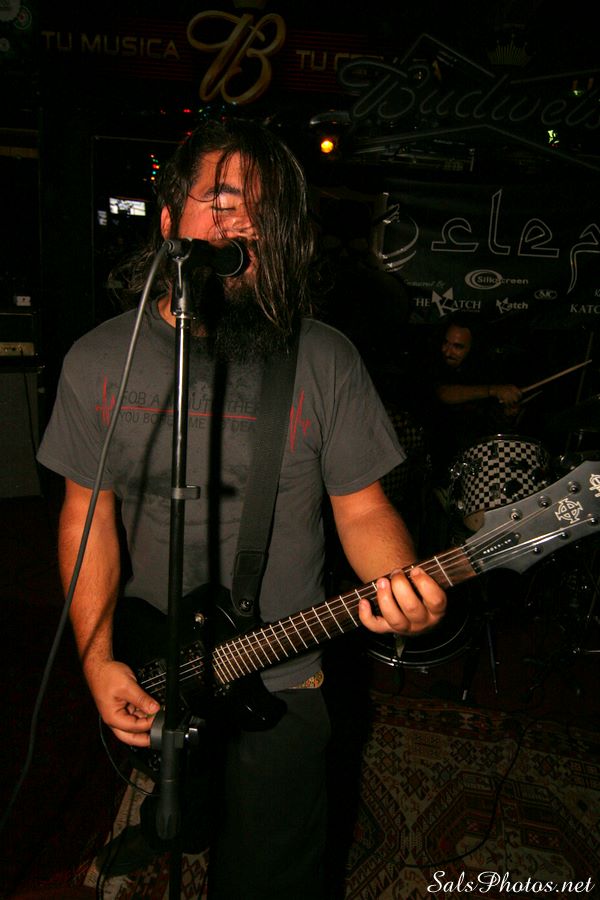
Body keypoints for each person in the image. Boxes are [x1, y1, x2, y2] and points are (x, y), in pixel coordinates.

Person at [37, 117, 446, 899]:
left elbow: (361, 510)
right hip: (158, 651)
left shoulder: (323, 356)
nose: (243, 226)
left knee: (271, 874)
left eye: (263, 212)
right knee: (182, 798)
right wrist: (96, 659)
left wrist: (401, 585)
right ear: (169, 221)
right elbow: (86, 519)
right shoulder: (98, 360)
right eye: (221, 202)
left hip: (282, 668)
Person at [422, 312, 523, 486]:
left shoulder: (486, 372)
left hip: (478, 465)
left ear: (474, 348)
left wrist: (509, 414)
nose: (447, 351)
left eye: (458, 346)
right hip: (437, 463)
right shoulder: (434, 364)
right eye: (446, 343)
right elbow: (444, 394)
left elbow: (494, 427)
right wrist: (493, 390)